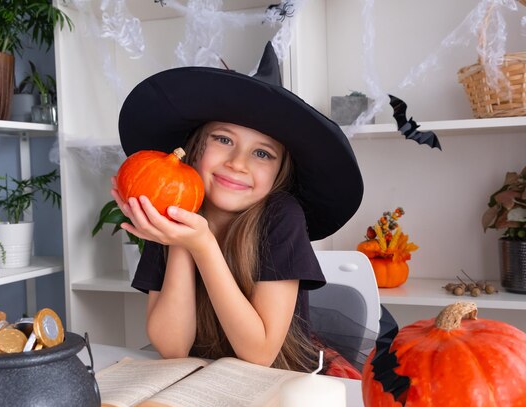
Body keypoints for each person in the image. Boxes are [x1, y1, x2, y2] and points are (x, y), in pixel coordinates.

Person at [113, 42, 364, 374]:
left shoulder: (281, 216)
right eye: (224, 139)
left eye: (262, 153)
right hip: (205, 385)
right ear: (195, 147)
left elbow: (260, 354)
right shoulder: (169, 214)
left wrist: (202, 245)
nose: (237, 163)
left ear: (279, 172)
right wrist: (180, 241)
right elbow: (172, 347)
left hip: (278, 383)